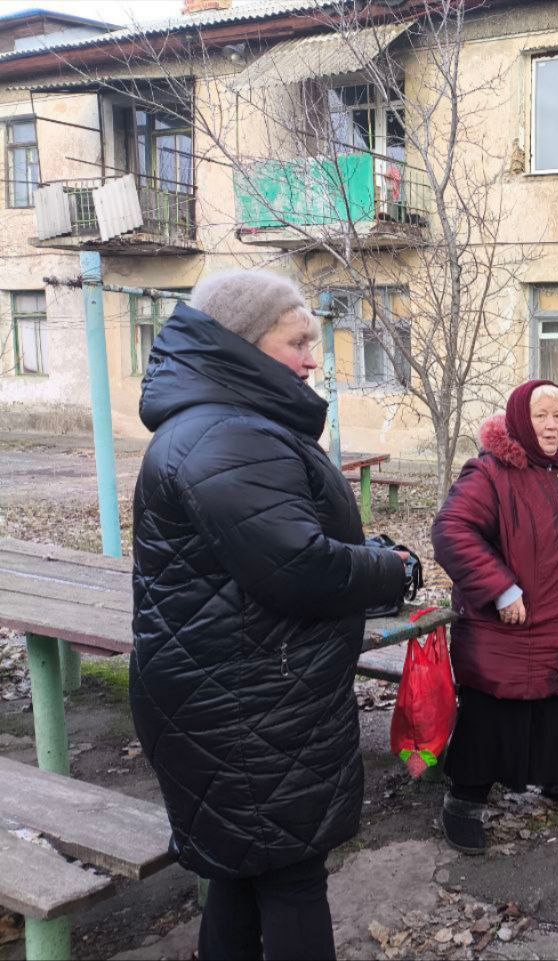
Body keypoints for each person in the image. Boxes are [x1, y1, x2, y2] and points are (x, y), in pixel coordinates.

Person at [130, 270, 409, 961]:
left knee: (242, 869)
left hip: (226, 689)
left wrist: (360, 559)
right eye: (298, 340)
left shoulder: (218, 420)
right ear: (244, 343)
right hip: (250, 704)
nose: (312, 357)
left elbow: (272, 550)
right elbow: (299, 567)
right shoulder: (230, 433)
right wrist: (392, 567)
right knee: (288, 877)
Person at [431, 380, 558, 855]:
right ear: (519, 418)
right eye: (540, 416)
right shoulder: (490, 472)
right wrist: (500, 588)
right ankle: (464, 800)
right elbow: (451, 530)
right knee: (497, 713)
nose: (552, 425)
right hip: (508, 627)